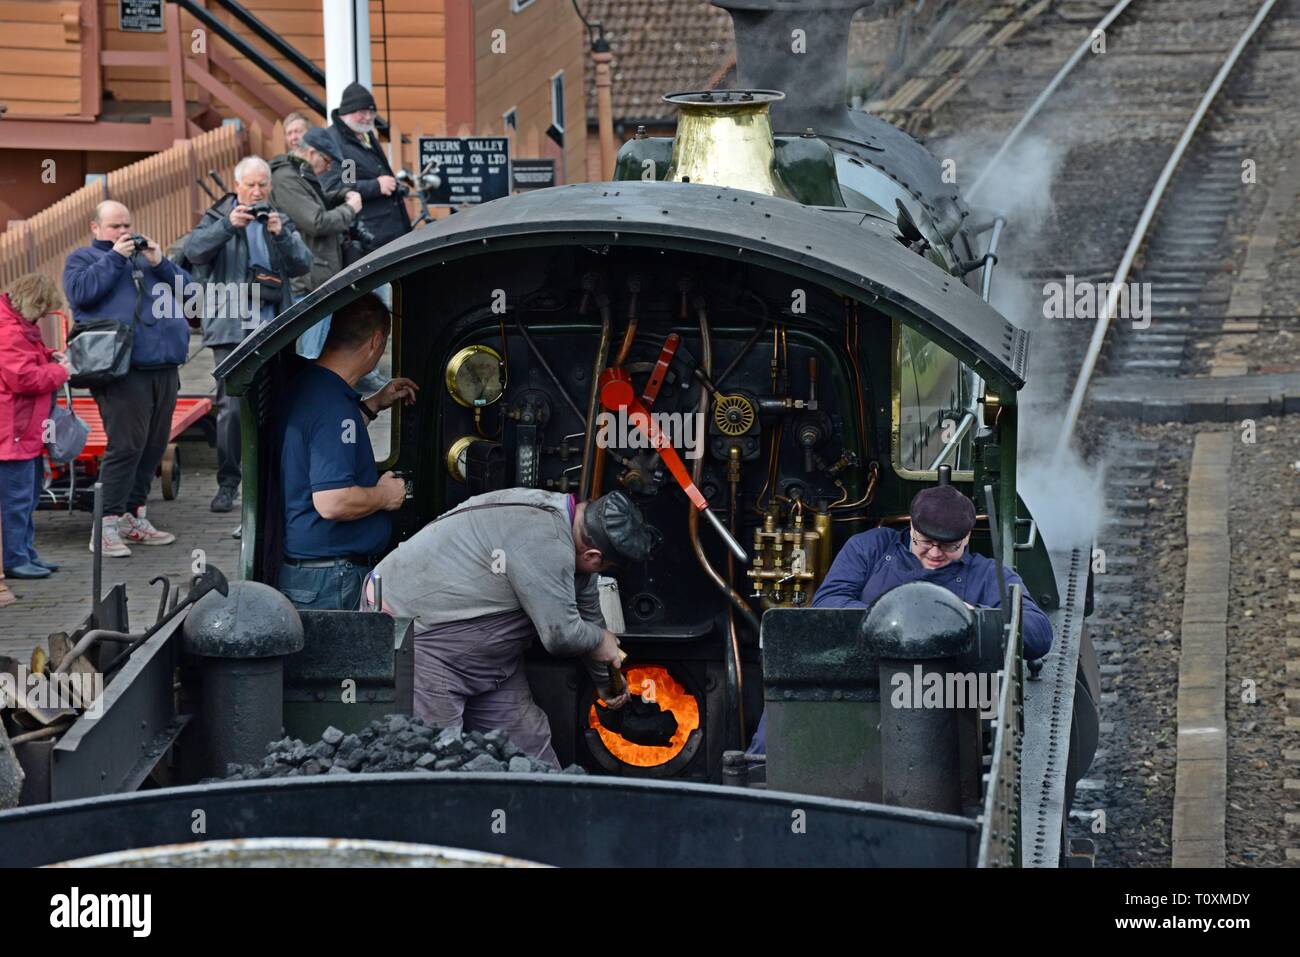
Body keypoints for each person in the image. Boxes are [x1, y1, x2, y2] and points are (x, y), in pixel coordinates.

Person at [747, 484, 1054, 755]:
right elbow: (828, 603)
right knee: (778, 729)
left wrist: (967, 614)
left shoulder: (987, 574)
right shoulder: (870, 547)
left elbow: (1038, 636)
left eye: (949, 547)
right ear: (911, 529)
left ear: (967, 538)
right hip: (853, 679)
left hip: (940, 697)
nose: (934, 554)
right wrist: (902, 614)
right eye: (924, 542)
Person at [364, 489, 652, 768]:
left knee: (529, 750)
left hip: (490, 658)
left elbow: (589, 618)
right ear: (593, 557)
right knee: (436, 756)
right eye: (604, 567)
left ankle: (539, 808)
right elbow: (560, 635)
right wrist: (600, 640)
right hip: (423, 637)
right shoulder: (544, 540)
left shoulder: (571, 530)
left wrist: (609, 685)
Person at [181, 156, 312, 514]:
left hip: (273, 325)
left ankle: (274, 477)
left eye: (262, 185)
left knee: (279, 400)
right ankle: (228, 483)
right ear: (236, 186)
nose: (256, 192)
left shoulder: (277, 219)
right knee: (231, 408)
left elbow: (303, 263)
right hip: (230, 326)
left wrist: (281, 235)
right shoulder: (217, 217)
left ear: (269, 186)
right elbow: (192, 252)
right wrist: (227, 226)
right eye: (249, 185)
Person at [63, 201, 191, 557]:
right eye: (114, 226)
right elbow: (81, 294)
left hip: (164, 366)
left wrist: (160, 263)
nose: (122, 232)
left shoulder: (148, 261)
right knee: (126, 446)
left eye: (126, 225)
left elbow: (193, 296)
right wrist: (115, 258)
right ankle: (104, 526)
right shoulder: (84, 260)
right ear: (95, 228)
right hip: (120, 370)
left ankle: (134, 516)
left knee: (153, 445)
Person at [275, 293, 417, 611]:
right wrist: (386, 495)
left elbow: (323, 442)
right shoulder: (331, 407)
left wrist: (372, 405)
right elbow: (333, 501)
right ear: (376, 340)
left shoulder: (316, 387)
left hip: (320, 574)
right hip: (330, 579)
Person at [0, 273, 71, 579]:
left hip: (24, 429)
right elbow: (24, 379)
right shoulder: (10, 332)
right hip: (13, 431)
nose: (43, 317)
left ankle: (25, 552)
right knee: (17, 500)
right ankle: (15, 558)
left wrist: (46, 355)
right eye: (42, 311)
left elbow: (26, 362)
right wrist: (59, 371)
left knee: (27, 497)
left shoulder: (19, 327)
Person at [270, 127, 362, 300]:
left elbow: (311, 204)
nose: (329, 167)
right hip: (305, 284)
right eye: (327, 160)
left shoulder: (298, 174)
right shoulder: (286, 178)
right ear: (312, 153)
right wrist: (350, 209)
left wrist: (341, 196)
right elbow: (317, 223)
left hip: (314, 277)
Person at [320, 82, 411, 250]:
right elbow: (339, 187)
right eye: (362, 112)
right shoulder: (337, 144)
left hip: (386, 231)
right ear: (346, 113)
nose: (368, 117)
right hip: (368, 237)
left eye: (371, 112)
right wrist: (376, 186)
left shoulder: (363, 134)